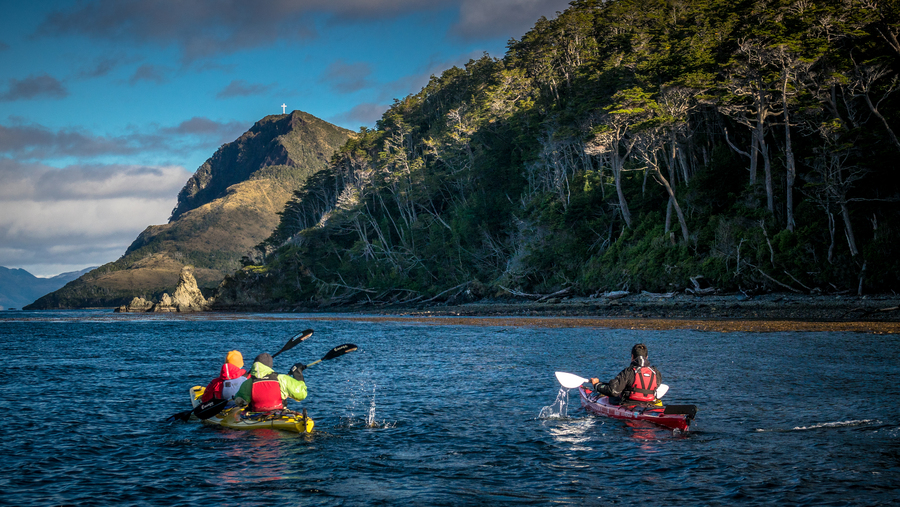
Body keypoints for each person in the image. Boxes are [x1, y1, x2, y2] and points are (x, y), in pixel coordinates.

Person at [589, 343, 662, 406]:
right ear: (647, 357)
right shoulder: (655, 372)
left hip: (629, 404)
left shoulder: (628, 372)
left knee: (613, 397)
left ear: (632, 356)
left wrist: (596, 385)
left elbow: (613, 391)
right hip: (649, 404)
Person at [234, 353, 308, 412]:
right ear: (269, 366)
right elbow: (302, 394)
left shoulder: (248, 383)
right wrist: (298, 374)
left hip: (256, 417)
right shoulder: (282, 379)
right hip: (279, 415)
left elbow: (240, 402)